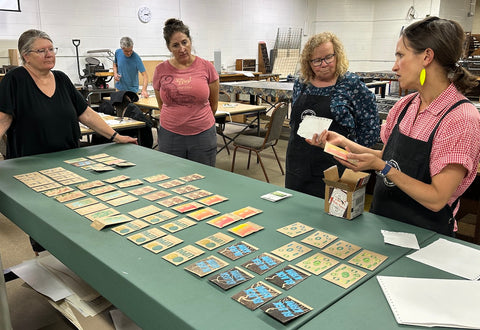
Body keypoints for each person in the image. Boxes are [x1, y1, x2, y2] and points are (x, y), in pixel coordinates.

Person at [308, 17, 480, 236]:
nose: (394, 66)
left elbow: (437, 198)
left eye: (400, 55)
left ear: (427, 56)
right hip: (383, 226)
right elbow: (389, 155)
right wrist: (344, 143)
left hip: (426, 237)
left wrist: (382, 167)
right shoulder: (405, 106)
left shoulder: (460, 118)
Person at [0, 29, 137, 251]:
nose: (49, 54)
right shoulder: (14, 80)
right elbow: (3, 120)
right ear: (26, 55)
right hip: (31, 166)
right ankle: (46, 264)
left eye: (51, 49)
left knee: (72, 213)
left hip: (68, 161)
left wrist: (115, 136)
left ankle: (73, 257)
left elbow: (86, 114)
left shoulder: (62, 79)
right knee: (42, 221)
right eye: (41, 51)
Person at [285, 32, 380, 199]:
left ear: (337, 55)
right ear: (308, 62)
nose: (323, 64)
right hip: (298, 162)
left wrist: (354, 155)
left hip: (337, 166)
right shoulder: (302, 83)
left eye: (328, 57)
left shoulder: (351, 84)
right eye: (316, 60)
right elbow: (295, 123)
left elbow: (370, 127)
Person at [152, 18, 219, 166]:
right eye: (175, 45)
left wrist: (196, 122)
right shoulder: (160, 70)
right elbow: (161, 105)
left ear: (190, 41)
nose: (182, 49)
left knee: (204, 179)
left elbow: (213, 104)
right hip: (170, 135)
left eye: (184, 42)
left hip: (203, 134)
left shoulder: (206, 67)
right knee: (172, 180)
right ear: (169, 48)